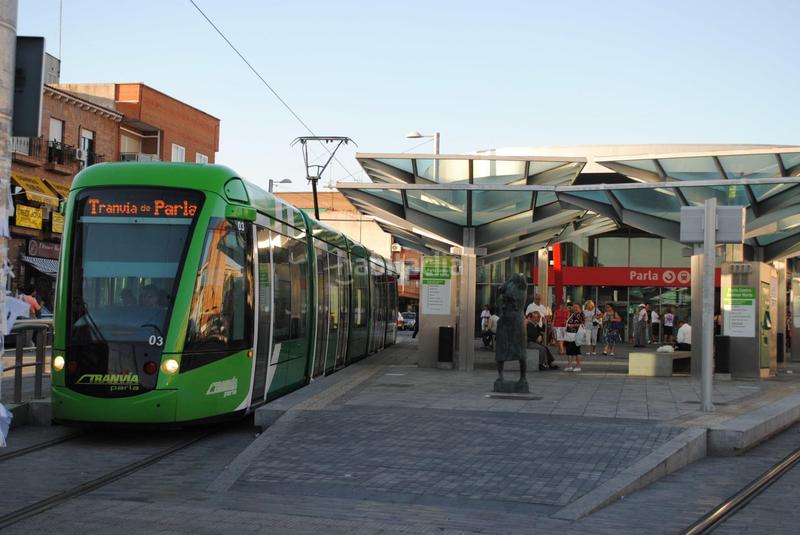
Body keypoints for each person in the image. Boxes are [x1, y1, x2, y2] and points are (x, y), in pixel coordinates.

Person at [564, 303, 584, 372]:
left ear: (580, 308)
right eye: (573, 307)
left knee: (576, 351)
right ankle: (569, 366)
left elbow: (583, 324)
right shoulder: (572, 314)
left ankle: (578, 366)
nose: (574, 308)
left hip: (576, 335)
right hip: (569, 335)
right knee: (569, 351)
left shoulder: (581, 314)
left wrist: (572, 325)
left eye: (576, 307)